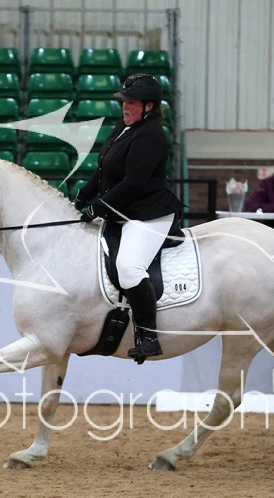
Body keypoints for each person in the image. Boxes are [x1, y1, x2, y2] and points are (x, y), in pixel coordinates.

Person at [72, 73, 184, 363]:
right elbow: (104, 169)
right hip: (125, 210)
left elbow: (133, 183)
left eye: (131, 102)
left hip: (150, 214)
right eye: (124, 101)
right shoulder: (125, 126)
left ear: (149, 106)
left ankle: (149, 337)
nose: (125, 106)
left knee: (129, 268)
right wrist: (83, 196)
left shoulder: (151, 136)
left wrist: (98, 208)